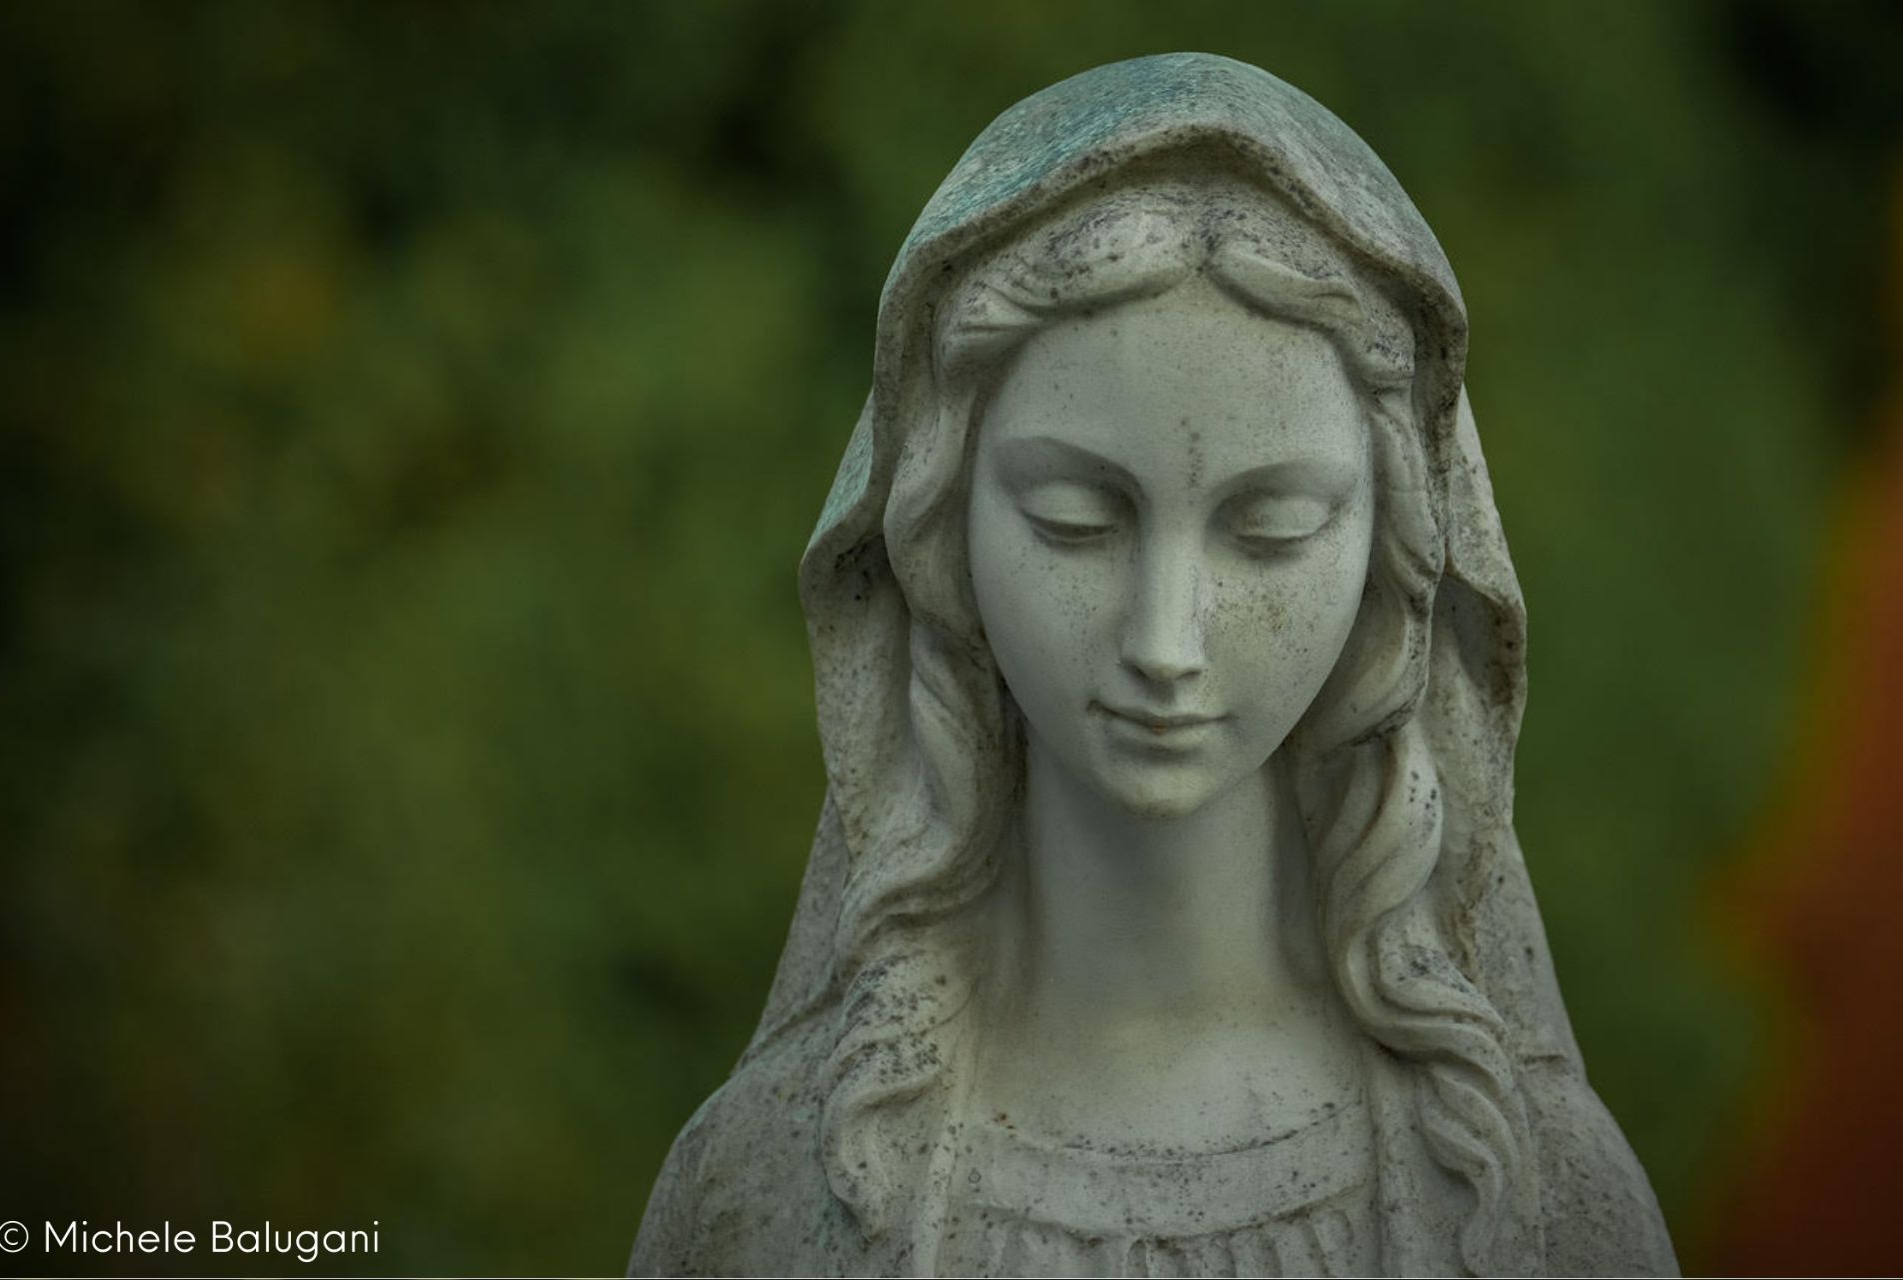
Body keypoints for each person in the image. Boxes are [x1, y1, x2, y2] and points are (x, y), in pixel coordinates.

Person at [630, 52, 1677, 1277]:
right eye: (1076, 519)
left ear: (1395, 551)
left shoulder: (1523, 1192)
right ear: (937, 531)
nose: (1165, 640)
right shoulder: (771, 1181)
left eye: (1273, 529)